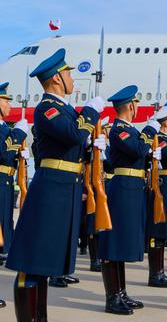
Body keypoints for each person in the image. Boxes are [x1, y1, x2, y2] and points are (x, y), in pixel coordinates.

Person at [6, 49, 104, 321]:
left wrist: (92, 148)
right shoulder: (47, 108)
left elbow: (74, 146)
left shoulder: (66, 110)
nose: (72, 79)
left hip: (66, 188)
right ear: (57, 78)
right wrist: (90, 113)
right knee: (32, 262)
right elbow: (73, 134)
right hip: (51, 190)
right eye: (68, 74)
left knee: (46, 263)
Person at [97, 85, 160, 314]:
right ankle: (112, 297)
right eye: (136, 103)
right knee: (113, 243)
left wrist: (151, 155)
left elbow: (139, 154)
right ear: (131, 106)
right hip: (123, 189)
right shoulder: (118, 130)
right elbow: (137, 149)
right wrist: (150, 130)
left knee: (122, 242)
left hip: (132, 188)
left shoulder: (130, 130)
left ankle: (121, 293)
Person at [0, 82, 29, 309]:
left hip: (6, 183)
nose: (10, 104)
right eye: (6, 100)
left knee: (4, 230)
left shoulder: (5, 129)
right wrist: (18, 133)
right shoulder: (7, 131)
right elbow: (2, 152)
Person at [146, 107, 167, 288]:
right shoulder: (160, 139)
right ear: (165, 122)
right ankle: (155, 274)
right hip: (164, 186)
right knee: (159, 231)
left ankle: (163, 270)